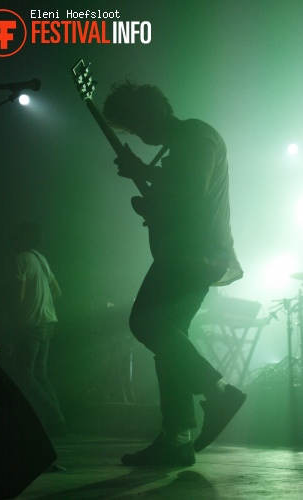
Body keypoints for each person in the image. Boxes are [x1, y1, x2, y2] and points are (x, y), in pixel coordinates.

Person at [102, 81, 246, 466]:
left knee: (146, 324)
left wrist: (143, 172)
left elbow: (191, 192)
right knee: (170, 343)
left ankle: (217, 392)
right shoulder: (184, 141)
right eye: (128, 128)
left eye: (134, 122)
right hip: (191, 254)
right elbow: (181, 201)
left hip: (193, 255)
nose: (136, 132)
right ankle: (176, 440)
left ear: (152, 109)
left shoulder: (195, 135)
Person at [12, 221, 66, 437]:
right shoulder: (41, 260)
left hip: (31, 324)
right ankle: (58, 418)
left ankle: (53, 416)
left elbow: (20, 297)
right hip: (48, 322)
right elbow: (58, 291)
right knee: (41, 374)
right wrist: (43, 302)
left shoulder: (21, 259)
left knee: (25, 374)